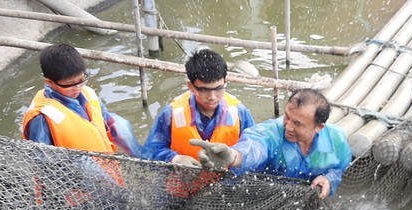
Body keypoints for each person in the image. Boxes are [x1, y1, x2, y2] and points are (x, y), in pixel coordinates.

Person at [190, 89, 352, 199]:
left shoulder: (336, 141)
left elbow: (339, 168)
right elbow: (254, 146)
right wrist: (233, 157)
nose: (288, 127)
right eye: (287, 116)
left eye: (297, 123)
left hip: (303, 201)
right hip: (264, 197)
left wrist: (329, 179)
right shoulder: (270, 132)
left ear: (319, 127)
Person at [22, 43, 141, 159]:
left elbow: (104, 119)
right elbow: (43, 161)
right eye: (69, 85)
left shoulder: (88, 93)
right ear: (50, 82)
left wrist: (118, 127)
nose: (77, 88)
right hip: (75, 177)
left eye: (81, 80)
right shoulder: (42, 116)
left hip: (107, 170)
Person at [142, 48, 255, 166]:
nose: (212, 97)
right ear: (190, 86)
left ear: (225, 82)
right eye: (203, 90)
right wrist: (175, 159)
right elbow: (150, 151)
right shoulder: (171, 114)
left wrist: (234, 156)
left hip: (229, 181)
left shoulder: (239, 112)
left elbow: (255, 149)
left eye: (218, 88)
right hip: (184, 179)